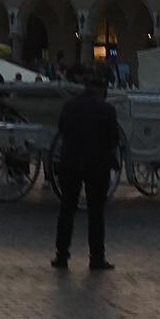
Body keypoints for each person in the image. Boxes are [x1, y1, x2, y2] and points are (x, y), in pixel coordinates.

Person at [52, 73, 121, 273]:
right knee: (96, 214)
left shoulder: (69, 106)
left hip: (70, 164)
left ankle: (61, 255)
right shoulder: (107, 109)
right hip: (97, 166)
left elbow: (62, 129)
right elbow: (113, 139)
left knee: (66, 211)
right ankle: (96, 258)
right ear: (102, 90)